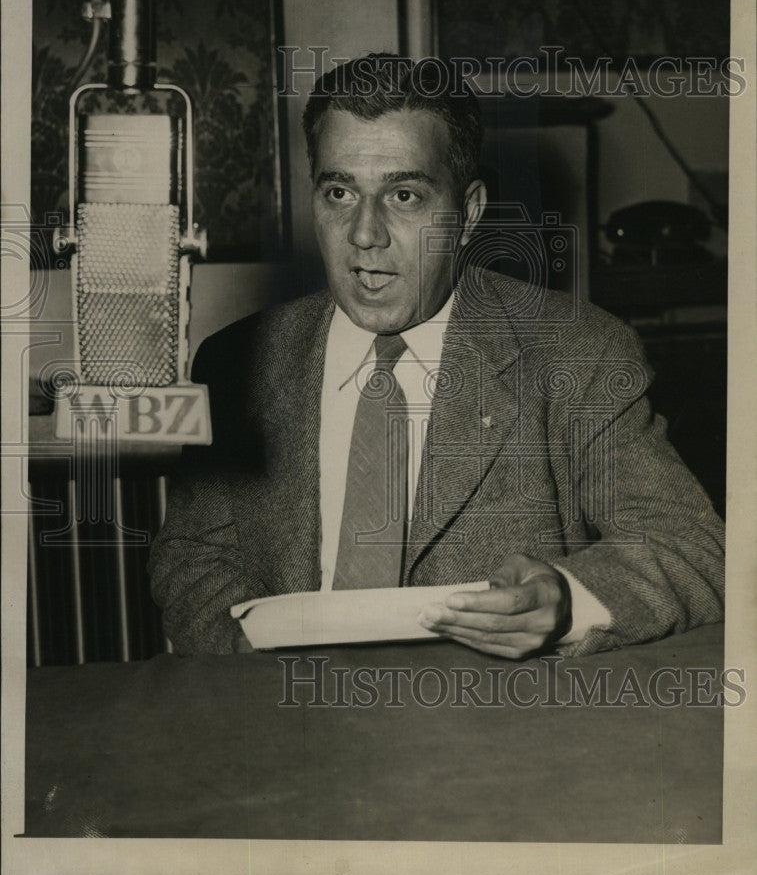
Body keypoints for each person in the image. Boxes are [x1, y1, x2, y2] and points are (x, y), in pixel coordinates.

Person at [148, 53, 724, 658]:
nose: (364, 234)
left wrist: (566, 600)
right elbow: (192, 556)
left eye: (403, 195)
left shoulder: (577, 354)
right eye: (340, 192)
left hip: (491, 734)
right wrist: (253, 665)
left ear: (468, 213)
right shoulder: (237, 360)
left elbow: (693, 545)